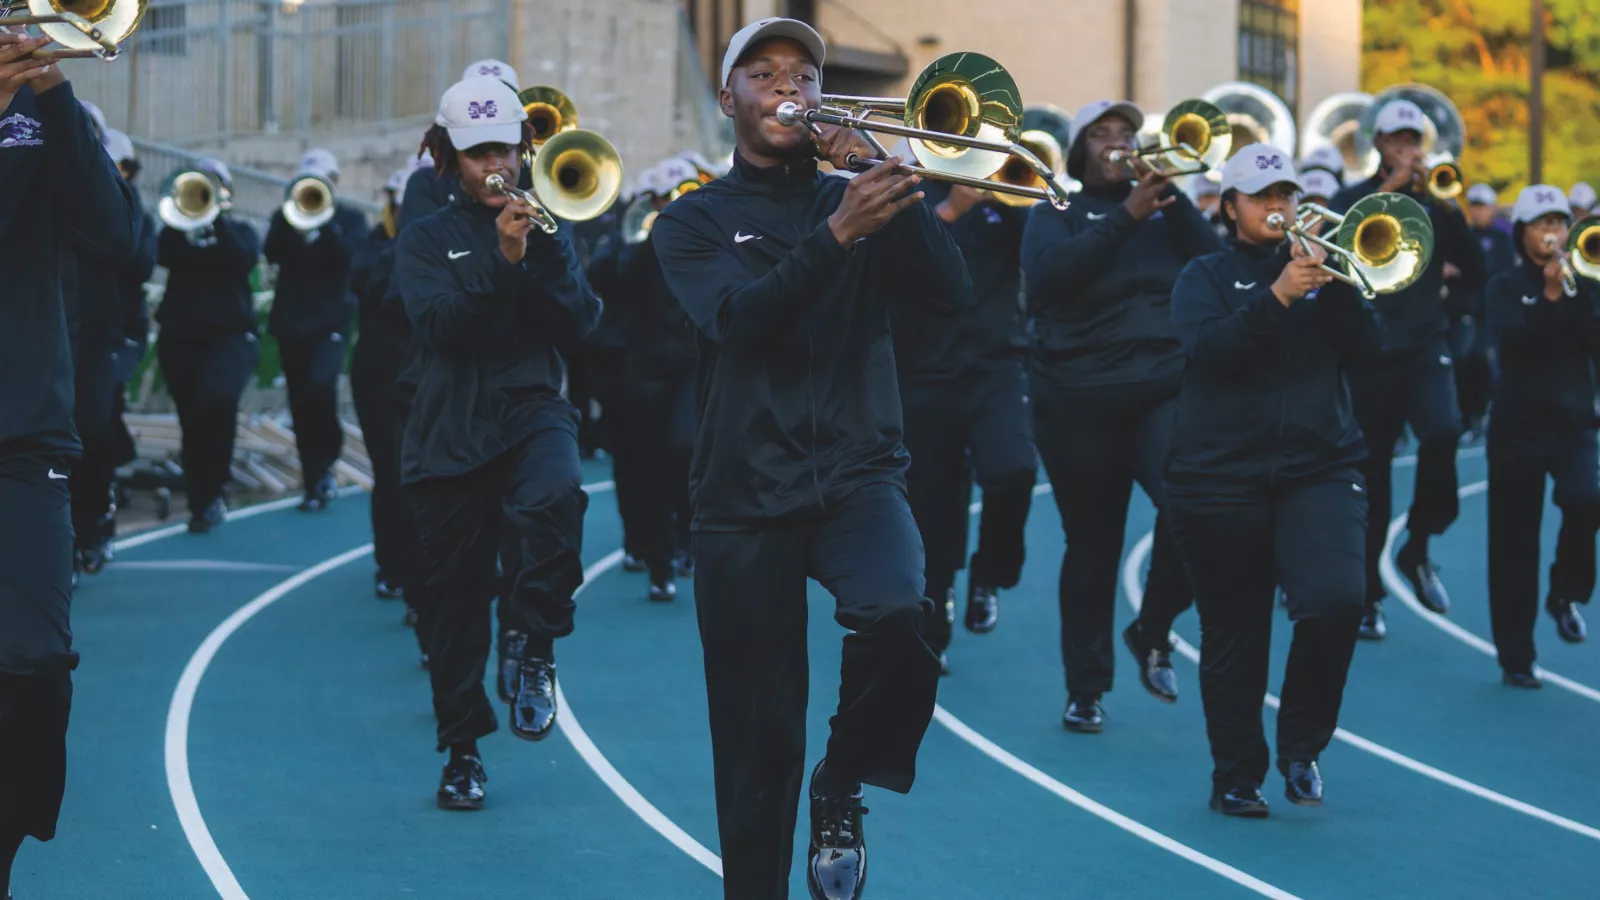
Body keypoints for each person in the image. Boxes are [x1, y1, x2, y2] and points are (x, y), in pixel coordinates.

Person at [650, 17, 970, 900]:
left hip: (859, 474)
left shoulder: (860, 196)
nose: (789, 87)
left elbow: (953, 295)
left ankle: (843, 782)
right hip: (743, 492)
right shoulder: (693, 222)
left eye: (803, 74)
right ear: (730, 100)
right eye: (764, 74)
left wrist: (886, 189)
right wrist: (836, 238)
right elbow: (740, 323)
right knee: (757, 743)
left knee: (904, 610)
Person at [394, 75, 600, 810]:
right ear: (450, 156)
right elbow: (445, 328)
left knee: (556, 498)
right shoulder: (423, 238)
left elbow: (578, 327)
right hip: (448, 428)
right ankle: (462, 750)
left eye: (506, 151)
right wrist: (499, 263)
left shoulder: (549, 223)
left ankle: (537, 644)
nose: (496, 168)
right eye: (479, 152)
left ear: (524, 150)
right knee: (452, 608)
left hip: (530, 406)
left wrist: (538, 256)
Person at [1165, 144, 1383, 818]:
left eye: (1286, 194)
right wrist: (1278, 297)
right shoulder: (1202, 274)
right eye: (1261, 196)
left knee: (1337, 599)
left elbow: (1371, 355)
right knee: (1236, 629)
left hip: (1319, 466)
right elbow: (1211, 353)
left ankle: (1302, 745)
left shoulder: (1328, 275)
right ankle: (1236, 774)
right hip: (1219, 475)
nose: (1278, 208)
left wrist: (1338, 287)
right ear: (1230, 207)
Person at [1021, 99, 1221, 731]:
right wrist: (1126, 217)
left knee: (1196, 507)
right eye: (1102, 135)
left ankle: (1152, 627)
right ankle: (1086, 687)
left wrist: (1168, 195)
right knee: (1093, 545)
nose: (1116, 143)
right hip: (1077, 397)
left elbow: (1215, 262)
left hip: (1161, 388)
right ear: (1079, 151)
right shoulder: (1056, 210)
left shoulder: (1164, 212)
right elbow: (1054, 277)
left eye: (1127, 134)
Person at [0, 27, 137, 895]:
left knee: (38, 667)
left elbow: (113, 235)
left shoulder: (46, 115)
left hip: (26, 440)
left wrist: (52, 96)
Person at [1329, 96, 1482, 639]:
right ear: (1378, 144)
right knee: (1370, 474)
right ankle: (1369, 594)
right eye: (1398, 140)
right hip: (1371, 350)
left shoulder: (1437, 201)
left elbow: (1477, 266)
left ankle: (1418, 546)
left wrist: (1448, 206)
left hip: (1423, 344)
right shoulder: (1355, 197)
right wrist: (1388, 191)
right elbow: (1336, 244)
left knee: (1443, 431)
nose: (1408, 149)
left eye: (1415, 140)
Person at [892, 179, 1037, 674]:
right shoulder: (907, 189)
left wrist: (1008, 194)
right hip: (924, 371)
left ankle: (989, 574)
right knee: (932, 509)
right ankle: (933, 631)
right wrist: (951, 209)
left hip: (995, 366)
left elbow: (1043, 254)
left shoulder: (1005, 192)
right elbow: (890, 265)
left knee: (1014, 468)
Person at [1484, 185, 1598, 689]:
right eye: (1542, 225)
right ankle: (1516, 655)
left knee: (1588, 497)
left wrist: (1576, 295)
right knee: (1513, 545)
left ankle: (1565, 591)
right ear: (1524, 232)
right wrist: (1550, 297)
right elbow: (1514, 347)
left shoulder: (1587, 281)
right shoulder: (1505, 286)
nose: (1553, 234)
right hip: (1517, 427)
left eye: (1559, 224)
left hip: (1572, 421)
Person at [263, 148, 367, 510]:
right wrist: (298, 225)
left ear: (334, 183)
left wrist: (325, 227)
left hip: (330, 323)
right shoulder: (285, 217)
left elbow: (350, 258)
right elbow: (271, 251)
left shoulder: (349, 219)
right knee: (300, 400)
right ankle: (312, 477)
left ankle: (325, 463)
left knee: (321, 389)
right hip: (292, 323)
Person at [349, 168, 418, 604]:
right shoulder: (375, 246)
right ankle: (391, 565)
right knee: (390, 474)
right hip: (379, 374)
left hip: (428, 374)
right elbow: (375, 290)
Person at [1459, 183, 1515, 437]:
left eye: (1482, 206)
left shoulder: (1502, 239)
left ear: (1492, 208)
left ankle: (1488, 412)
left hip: (1494, 312)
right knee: (1465, 360)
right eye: (1474, 206)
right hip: (1468, 311)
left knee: (1489, 360)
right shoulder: (1464, 235)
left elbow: (1500, 272)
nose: (1478, 211)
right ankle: (1470, 415)